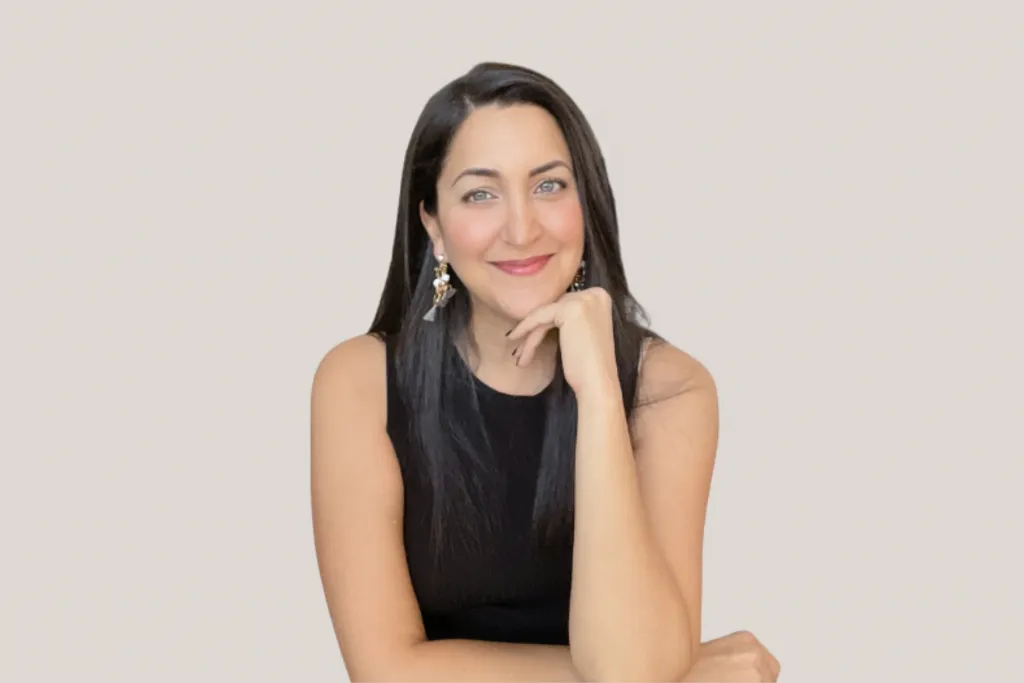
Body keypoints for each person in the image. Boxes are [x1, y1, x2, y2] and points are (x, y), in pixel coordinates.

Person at [311, 62, 781, 682]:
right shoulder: (361, 383)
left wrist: (600, 392)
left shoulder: (672, 389)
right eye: (481, 193)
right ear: (434, 226)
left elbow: (634, 668)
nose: (522, 228)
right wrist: (689, 673)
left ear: (587, 203)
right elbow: (385, 672)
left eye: (549, 186)